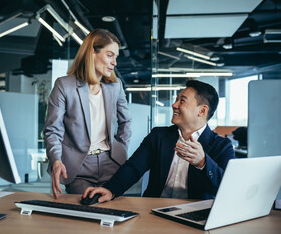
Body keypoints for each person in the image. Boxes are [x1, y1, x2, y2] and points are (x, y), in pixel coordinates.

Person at [83, 80, 236, 203]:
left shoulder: (222, 146)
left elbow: (227, 189)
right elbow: (134, 168)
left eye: (181, 101)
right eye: (176, 99)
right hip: (155, 210)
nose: (174, 105)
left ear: (202, 111)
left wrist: (203, 163)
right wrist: (111, 189)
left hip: (195, 214)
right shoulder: (159, 136)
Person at [44, 29, 132, 199]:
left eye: (116, 57)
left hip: (111, 163)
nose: (114, 62)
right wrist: (56, 159)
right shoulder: (64, 86)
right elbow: (53, 129)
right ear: (92, 52)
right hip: (78, 167)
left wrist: (121, 147)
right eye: (109, 55)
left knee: (114, 212)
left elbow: (126, 121)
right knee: (84, 213)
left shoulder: (115, 86)